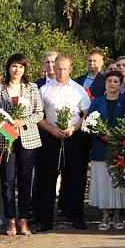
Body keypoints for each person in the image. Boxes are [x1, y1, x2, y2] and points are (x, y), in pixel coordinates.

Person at [35, 55, 91, 231]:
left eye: (64, 69)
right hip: (50, 136)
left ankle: (77, 216)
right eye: (58, 68)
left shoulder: (79, 90)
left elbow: (86, 114)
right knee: (47, 178)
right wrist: (50, 129)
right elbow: (38, 115)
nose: (60, 72)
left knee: (75, 177)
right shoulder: (44, 89)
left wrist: (73, 128)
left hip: (73, 137)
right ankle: (45, 219)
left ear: (70, 69)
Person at [0, 54, 44, 236]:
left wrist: (23, 121)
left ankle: (23, 220)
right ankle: (10, 220)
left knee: (25, 181)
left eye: (21, 67)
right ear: (8, 68)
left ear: (25, 69)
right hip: (7, 138)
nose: (17, 70)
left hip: (28, 138)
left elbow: (39, 113)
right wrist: (8, 126)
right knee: (7, 182)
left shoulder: (31, 88)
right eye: (14, 66)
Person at [86, 71, 125, 231]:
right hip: (100, 147)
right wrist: (101, 133)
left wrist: (117, 134)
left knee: (117, 184)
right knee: (103, 183)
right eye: (109, 81)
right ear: (105, 83)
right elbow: (89, 121)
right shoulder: (97, 101)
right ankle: (105, 216)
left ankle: (118, 216)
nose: (112, 84)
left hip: (119, 147)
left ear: (121, 84)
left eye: (116, 81)